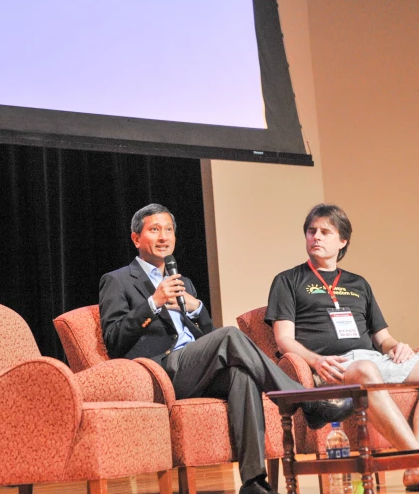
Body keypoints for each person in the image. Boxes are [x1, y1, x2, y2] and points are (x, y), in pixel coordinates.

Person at [100, 203, 353, 494]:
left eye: (168, 230)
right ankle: (305, 401)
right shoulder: (117, 280)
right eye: (154, 230)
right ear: (136, 238)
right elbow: (114, 340)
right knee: (230, 336)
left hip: (192, 368)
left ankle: (253, 482)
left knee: (241, 375)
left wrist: (198, 311)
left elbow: (208, 338)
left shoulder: (185, 283)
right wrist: (152, 303)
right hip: (159, 369)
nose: (163, 237)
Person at [265, 203, 419, 492]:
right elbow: (283, 338)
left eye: (325, 232)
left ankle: (415, 469)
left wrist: (395, 346)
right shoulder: (288, 280)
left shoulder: (358, 283)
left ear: (342, 241)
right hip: (333, 365)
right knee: (365, 368)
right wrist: (316, 361)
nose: (316, 237)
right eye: (311, 231)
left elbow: (382, 337)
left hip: (373, 359)